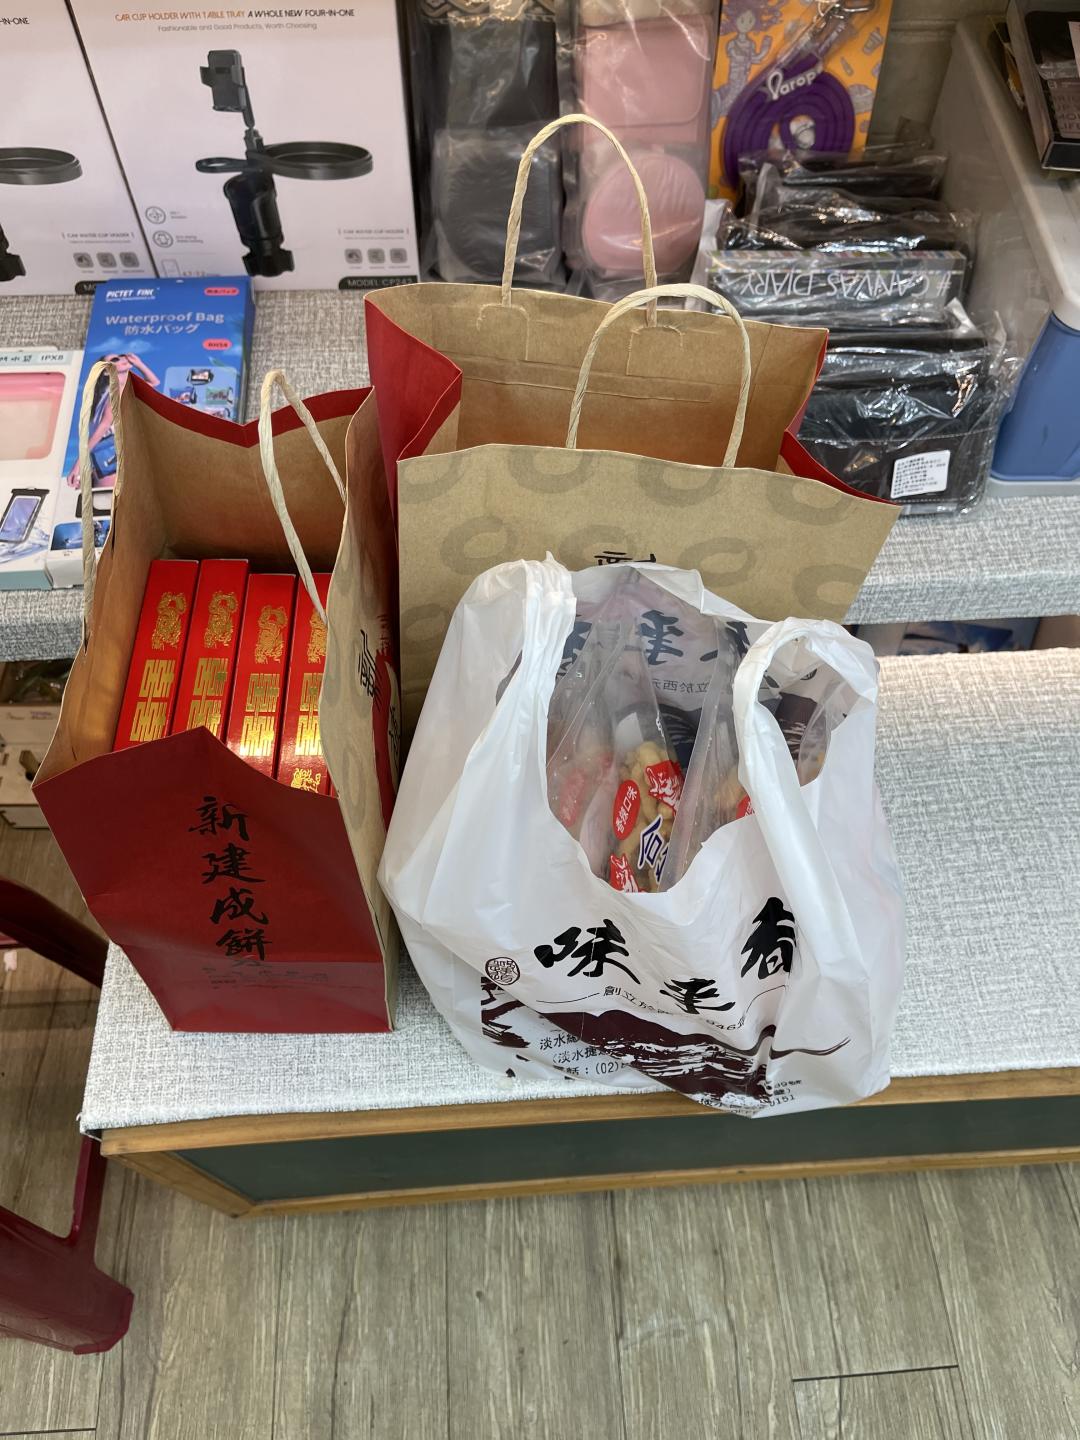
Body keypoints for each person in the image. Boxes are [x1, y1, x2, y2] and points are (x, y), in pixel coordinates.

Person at [66, 353, 161, 488]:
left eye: (122, 356)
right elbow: (102, 428)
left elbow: (154, 382)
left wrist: (138, 363)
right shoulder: (116, 391)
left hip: (108, 454)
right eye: (115, 359)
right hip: (111, 455)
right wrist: (78, 465)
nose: (122, 359)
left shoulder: (117, 389)